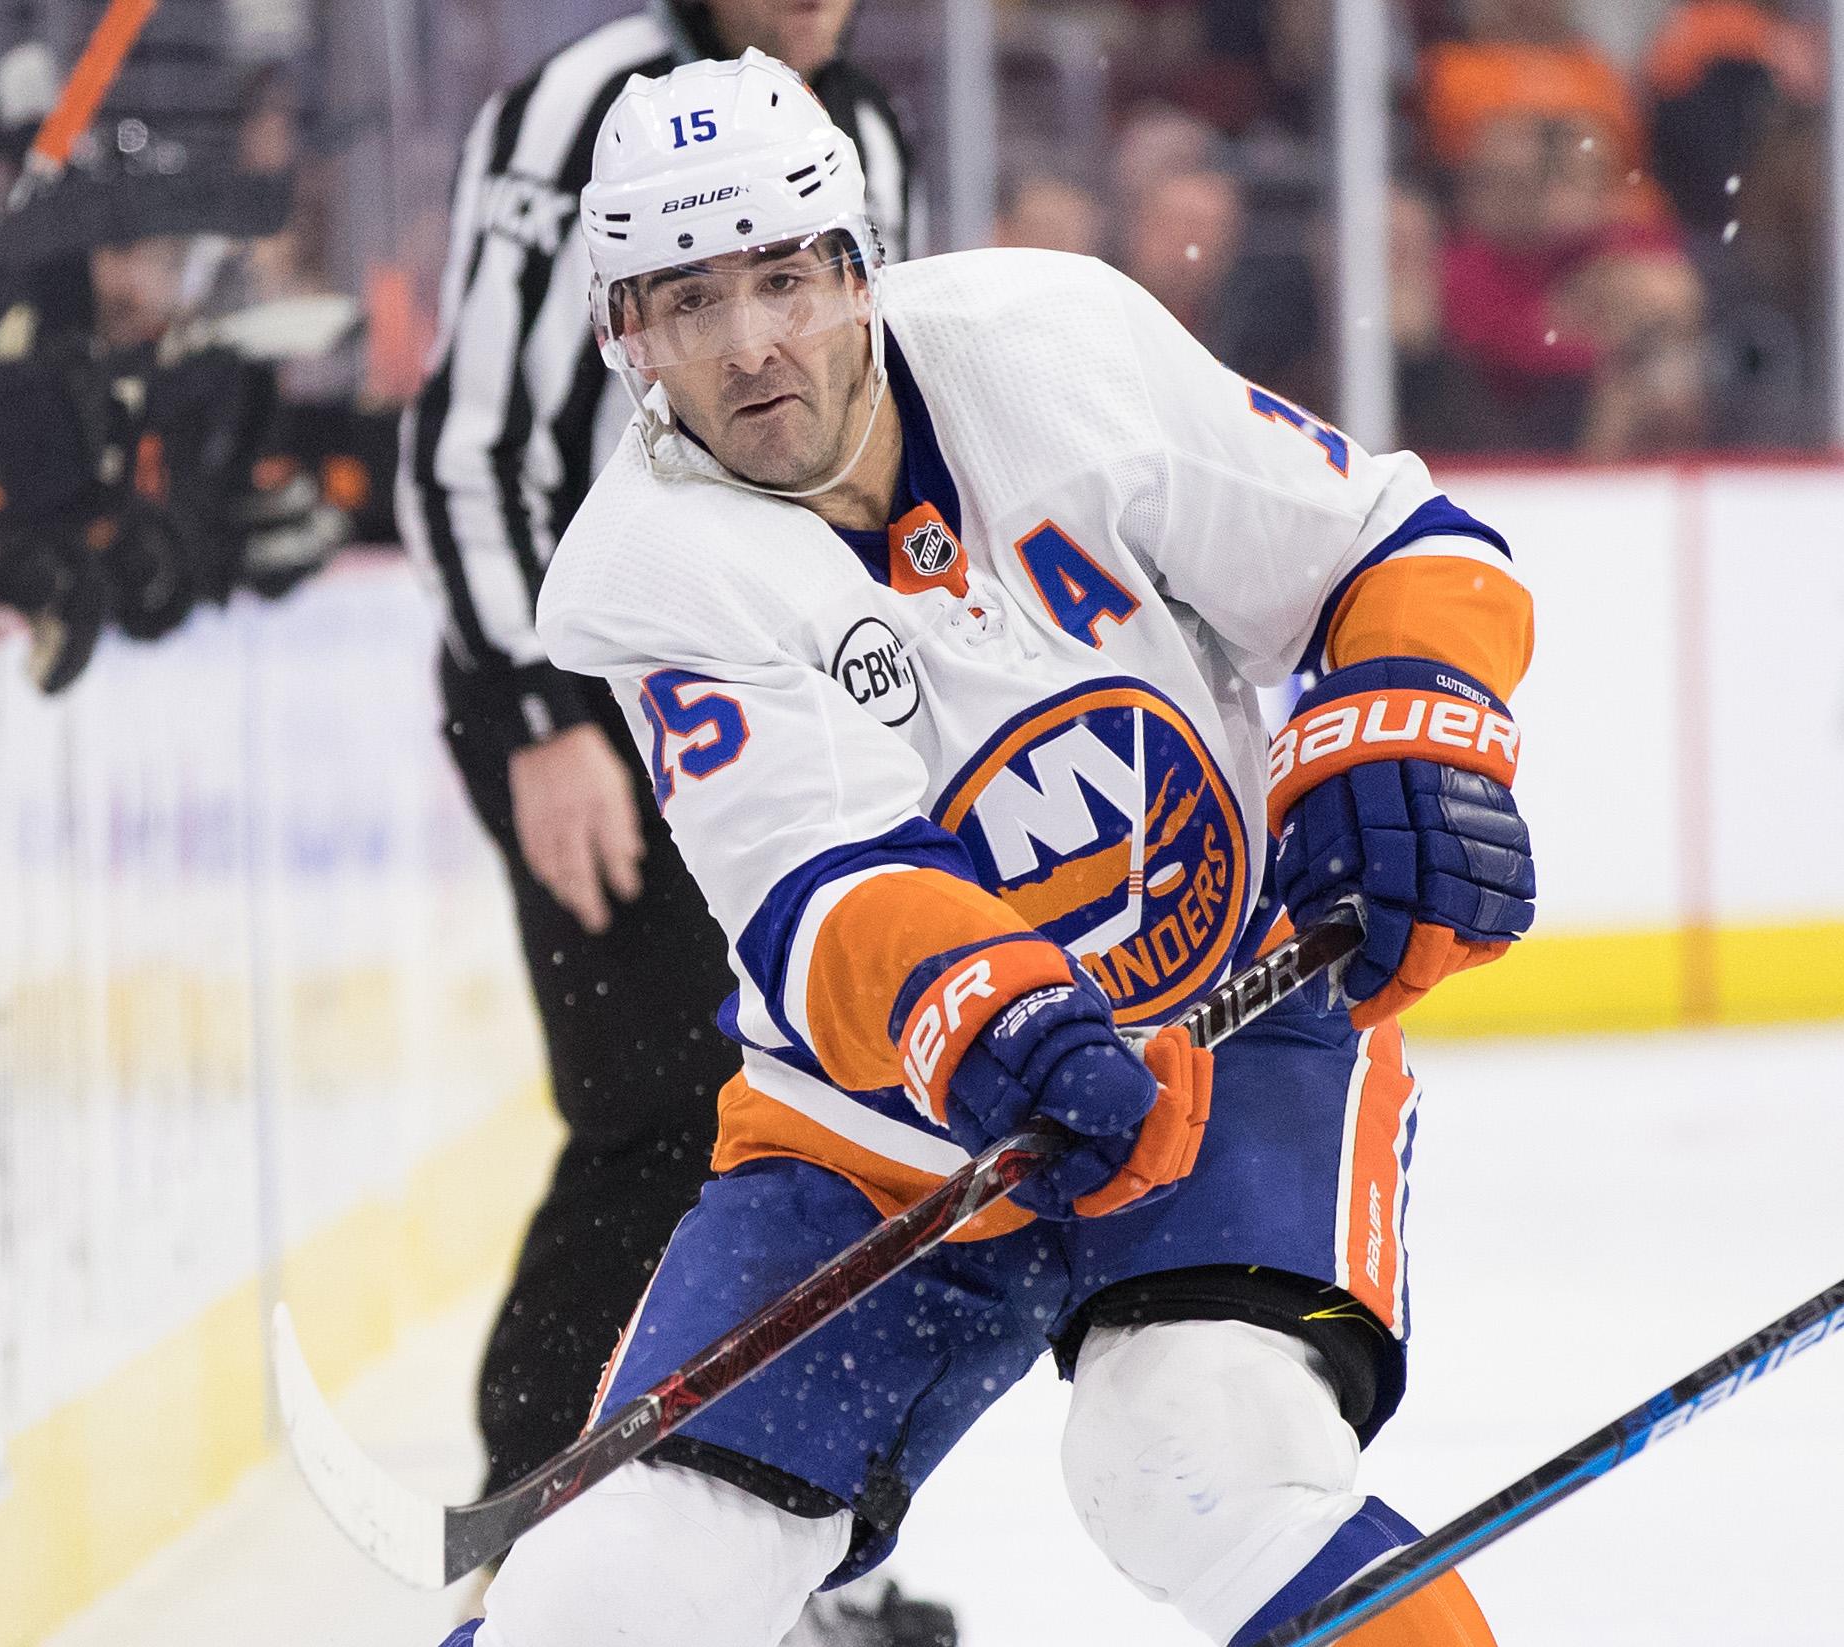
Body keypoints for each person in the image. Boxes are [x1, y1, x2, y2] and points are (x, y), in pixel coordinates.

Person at [441, 51, 1537, 1647]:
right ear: (627, 340)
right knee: (607, 1598)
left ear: (857, 263)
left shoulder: (1053, 344)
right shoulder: (643, 571)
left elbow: (1385, 542)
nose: (750, 345)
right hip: (872, 1136)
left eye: (783, 277)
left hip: (1222, 1035)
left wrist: (1411, 723)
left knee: (1195, 1453)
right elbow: (826, 892)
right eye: (687, 304)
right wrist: (1000, 1016)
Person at [396, 7, 947, 1639]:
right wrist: (539, 716)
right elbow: (463, 452)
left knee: (842, 1113)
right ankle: (545, 1541)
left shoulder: (861, 128)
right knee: (657, 1116)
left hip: (798, 690)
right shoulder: (578, 108)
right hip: (598, 693)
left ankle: (794, 1559)